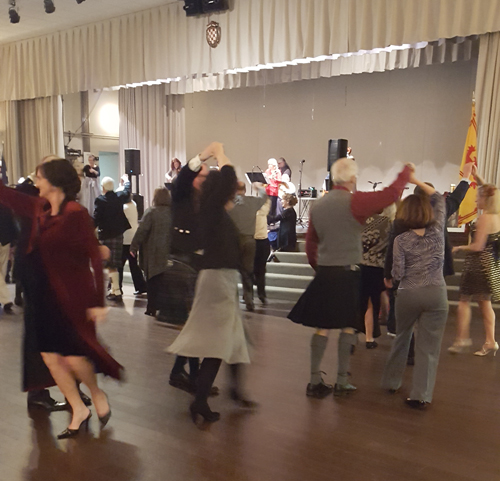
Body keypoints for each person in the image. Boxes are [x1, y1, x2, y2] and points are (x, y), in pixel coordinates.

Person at [0, 158, 123, 438]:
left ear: (53, 182)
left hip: (72, 295)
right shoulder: (40, 208)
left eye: (39, 176)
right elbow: (5, 194)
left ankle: (96, 392)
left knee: (75, 357)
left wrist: (98, 302)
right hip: (44, 295)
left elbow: (94, 253)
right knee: (49, 356)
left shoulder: (75, 212)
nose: (35, 181)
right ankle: (79, 408)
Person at [288, 157, 411, 399]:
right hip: (348, 272)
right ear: (353, 179)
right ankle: (342, 381)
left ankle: (315, 381)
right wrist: (406, 172)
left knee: (322, 327)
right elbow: (390, 194)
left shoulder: (318, 206)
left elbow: (311, 244)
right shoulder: (355, 202)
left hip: (325, 272)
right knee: (347, 327)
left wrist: (320, 267)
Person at [168, 144, 255, 424]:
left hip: (219, 278)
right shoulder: (212, 210)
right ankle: (201, 400)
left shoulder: (214, 211)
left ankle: (231, 392)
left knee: (233, 338)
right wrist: (218, 155)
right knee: (219, 345)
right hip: (217, 279)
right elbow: (228, 177)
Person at [384, 162, 475, 361]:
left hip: (409, 274)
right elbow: (456, 198)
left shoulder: (404, 216)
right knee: (429, 316)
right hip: (434, 274)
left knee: (405, 314)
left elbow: (393, 246)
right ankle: (424, 354)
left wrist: (388, 274)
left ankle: (405, 349)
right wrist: (466, 178)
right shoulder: (440, 212)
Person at [381, 179, 448, 409]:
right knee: (428, 348)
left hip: (408, 294)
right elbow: (438, 197)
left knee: (402, 337)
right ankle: (420, 395)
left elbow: (397, 273)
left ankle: (391, 382)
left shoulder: (401, 240)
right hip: (436, 294)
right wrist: (417, 180)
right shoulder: (438, 231)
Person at [167, 143, 218, 393]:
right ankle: (189, 377)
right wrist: (205, 155)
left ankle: (184, 374)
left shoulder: (205, 200)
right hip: (182, 263)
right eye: (204, 176)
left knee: (195, 324)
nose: (207, 180)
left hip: (198, 264)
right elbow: (184, 176)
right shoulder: (182, 194)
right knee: (194, 323)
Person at [449, 183, 500, 356]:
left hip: (477, 266)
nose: (476, 199)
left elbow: (478, 246)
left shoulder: (485, 218)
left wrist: (460, 248)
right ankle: (490, 341)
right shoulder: (497, 216)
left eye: (479, 196)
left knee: (464, 300)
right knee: (485, 304)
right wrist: (477, 175)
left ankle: (461, 339)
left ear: (487, 198)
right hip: (489, 265)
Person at [130, 187, 172, 317]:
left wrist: (134, 247)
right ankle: (164, 308)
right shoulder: (172, 212)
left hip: (153, 253)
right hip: (168, 253)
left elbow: (142, 231)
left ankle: (151, 308)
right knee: (165, 283)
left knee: (152, 282)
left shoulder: (151, 212)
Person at [360, 203, 396, 348]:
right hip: (378, 266)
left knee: (362, 301)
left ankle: (355, 335)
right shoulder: (387, 223)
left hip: (360, 264)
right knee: (374, 299)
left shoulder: (360, 222)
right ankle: (371, 336)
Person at [229, 181, 268, 311]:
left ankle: (232, 299)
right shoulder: (252, 201)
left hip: (234, 241)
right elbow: (264, 197)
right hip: (250, 241)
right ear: (245, 190)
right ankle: (249, 299)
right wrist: (258, 187)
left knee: (232, 271)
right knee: (247, 271)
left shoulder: (230, 203)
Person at [94, 175, 131, 302]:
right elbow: (127, 191)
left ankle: (116, 290)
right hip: (118, 235)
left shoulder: (100, 200)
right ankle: (115, 289)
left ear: (103, 187)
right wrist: (126, 181)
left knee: (109, 264)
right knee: (114, 263)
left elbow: (96, 218)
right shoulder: (119, 197)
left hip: (106, 235)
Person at [117, 181, 147, 296]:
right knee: (134, 264)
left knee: (119, 264)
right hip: (133, 238)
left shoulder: (122, 207)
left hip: (125, 238)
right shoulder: (133, 204)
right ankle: (141, 286)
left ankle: (117, 287)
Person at [254, 199, 271, 305]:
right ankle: (262, 294)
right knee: (261, 269)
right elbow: (267, 201)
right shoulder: (263, 211)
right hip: (263, 241)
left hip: (253, 240)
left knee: (248, 269)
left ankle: (248, 295)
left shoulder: (251, 212)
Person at [0, 204, 16, 314]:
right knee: (2, 270)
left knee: (1, 272)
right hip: (5, 241)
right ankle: (5, 300)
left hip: (5, 241)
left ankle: (5, 299)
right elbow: (12, 226)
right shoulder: (6, 207)